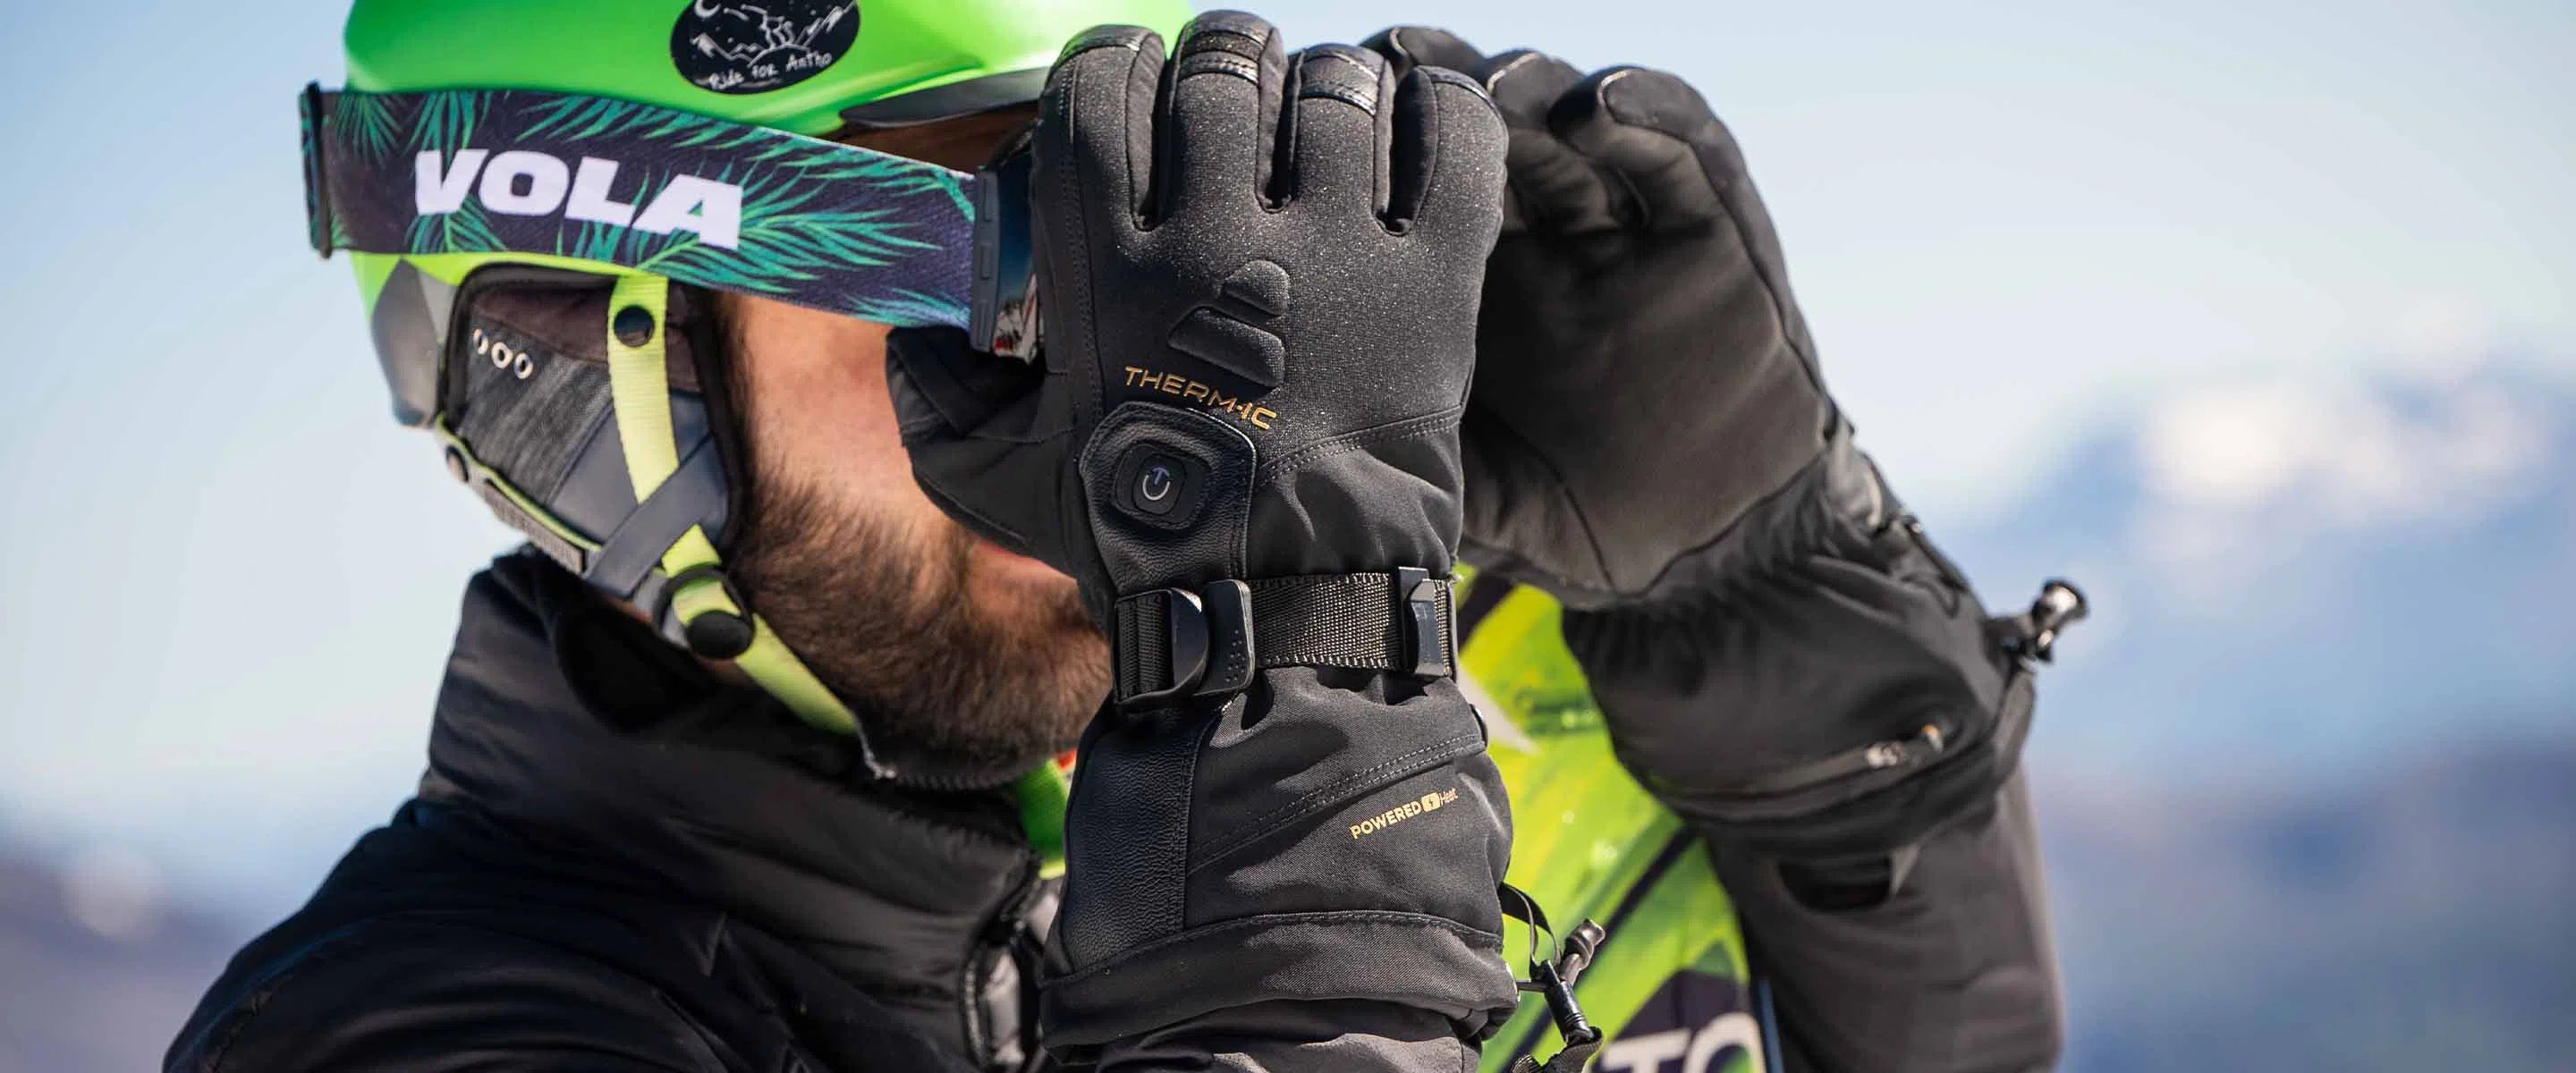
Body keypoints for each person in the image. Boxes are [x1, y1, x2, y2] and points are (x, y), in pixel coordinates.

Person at [171, 3, 2072, 1070]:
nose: (1116, 401)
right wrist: (1300, 789)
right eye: (995, 276)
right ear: (592, 358)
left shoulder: (1337, 769)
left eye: (1155, 259)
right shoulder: (411, 1035)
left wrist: (1769, 613)